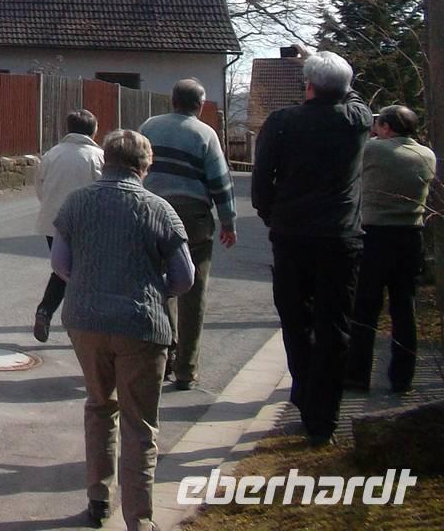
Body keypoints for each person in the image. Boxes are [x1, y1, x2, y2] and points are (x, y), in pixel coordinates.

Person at [52, 129, 194, 531]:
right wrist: (153, 288)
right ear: (144, 167)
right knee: (140, 424)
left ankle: (98, 498)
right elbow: (184, 278)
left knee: (99, 406)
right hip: (141, 325)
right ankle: (140, 519)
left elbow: (60, 264)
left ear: (105, 162)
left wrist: (87, 283)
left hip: (85, 320)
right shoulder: (159, 209)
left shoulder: (76, 203)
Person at [252, 49, 372, 446]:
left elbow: (260, 181)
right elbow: (352, 97)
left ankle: (304, 391)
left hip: (291, 234)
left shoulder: (282, 122)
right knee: (334, 324)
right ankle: (326, 414)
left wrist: (272, 216)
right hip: (340, 237)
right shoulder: (356, 121)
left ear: (307, 85)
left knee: (295, 318)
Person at [138, 79, 238, 390]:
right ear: (199, 104)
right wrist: (228, 221)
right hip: (193, 217)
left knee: (158, 286)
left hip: (151, 211)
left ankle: (164, 353)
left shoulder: (149, 126)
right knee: (194, 291)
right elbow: (220, 181)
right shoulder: (205, 134)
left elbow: (135, 166)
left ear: (172, 100)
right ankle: (186, 368)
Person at [346, 105, 436, 395]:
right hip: (411, 234)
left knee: (365, 308)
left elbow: (354, 154)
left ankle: (358, 374)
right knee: (404, 308)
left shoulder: (375, 151)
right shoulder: (427, 155)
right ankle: (402, 377)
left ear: (387, 127)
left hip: (374, 235)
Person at [32, 108, 104, 343]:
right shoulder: (98, 156)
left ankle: (46, 311)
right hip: (87, 224)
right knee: (87, 272)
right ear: (94, 130)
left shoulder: (52, 153)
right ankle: (82, 323)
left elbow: (40, 186)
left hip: (54, 222)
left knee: (63, 269)